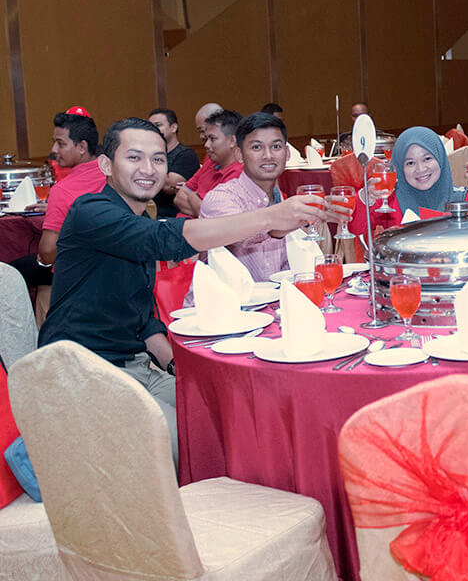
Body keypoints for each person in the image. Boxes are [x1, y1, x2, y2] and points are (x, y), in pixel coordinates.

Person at [37, 118, 342, 462]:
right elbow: (167, 240)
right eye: (134, 157)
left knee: (230, 419)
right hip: (82, 370)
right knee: (191, 445)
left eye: (158, 159)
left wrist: (176, 367)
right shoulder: (90, 213)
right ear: (106, 165)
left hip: (138, 368)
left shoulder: (137, 221)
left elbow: (143, 320)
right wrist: (270, 217)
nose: (148, 169)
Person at [9, 112, 106, 291]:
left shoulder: (63, 190)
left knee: (7, 273)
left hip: (74, 272)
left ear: (82, 147)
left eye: (60, 144)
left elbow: (47, 254)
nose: (54, 150)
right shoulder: (113, 174)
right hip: (110, 267)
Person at [197, 111, 292, 282]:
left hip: (275, 297)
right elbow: (243, 236)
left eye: (276, 147)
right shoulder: (220, 199)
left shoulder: (281, 200)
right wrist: (288, 220)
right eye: (257, 147)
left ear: (287, 153)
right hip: (227, 298)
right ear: (239, 155)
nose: (268, 155)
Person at [354, 126, 465, 230]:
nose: (420, 169)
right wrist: (366, 197)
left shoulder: (462, 198)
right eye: (410, 163)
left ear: (440, 158)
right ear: (399, 168)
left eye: (427, 159)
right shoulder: (390, 200)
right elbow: (356, 229)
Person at [174, 108, 243, 217]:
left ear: (232, 141)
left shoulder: (240, 174)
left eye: (212, 139)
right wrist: (200, 208)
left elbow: (216, 218)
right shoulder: (211, 163)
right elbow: (178, 198)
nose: (206, 145)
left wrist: (192, 196)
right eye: (206, 139)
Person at [148, 108, 200, 218]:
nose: (153, 130)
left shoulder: (186, 154)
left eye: (158, 125)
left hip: (171, 216)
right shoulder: (149, 154)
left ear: (173, 127)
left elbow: (169, 186)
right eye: (151, 126)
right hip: (147, 212)